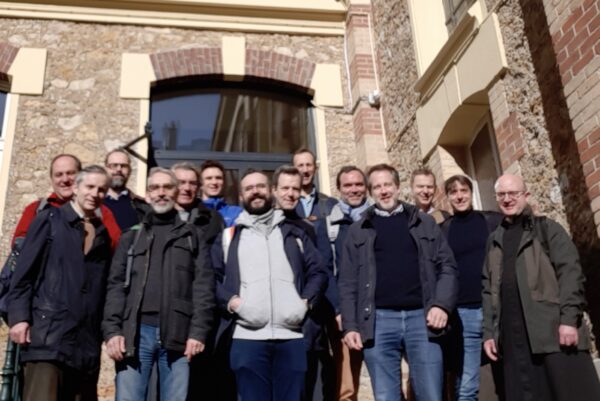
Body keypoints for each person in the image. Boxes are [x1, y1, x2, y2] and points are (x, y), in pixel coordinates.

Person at [338, 163, 458, 401]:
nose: (383, 191)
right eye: (377, 187)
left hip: (422, 319)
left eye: (387, 185)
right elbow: (348, 282)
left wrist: (442, 305)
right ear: (371, 192)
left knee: (431, 395)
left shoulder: (424, 222)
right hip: (379, 322)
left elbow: (447, 267)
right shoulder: (358, 230)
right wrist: (350, 325)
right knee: (386, 397)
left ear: (397, 187)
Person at [211, 169, 328, 401]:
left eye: (260, 186)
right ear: (241, 196)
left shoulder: (295, 233)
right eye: (249, 188)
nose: (255, 192)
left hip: (292, 336)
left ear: (271, 191)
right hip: (247, 338)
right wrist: (233, 303)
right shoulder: (228, 237)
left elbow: (319, 272)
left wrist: (304, 303)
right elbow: (210, 279)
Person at [482, 174, 600, 401]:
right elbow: (488, 290)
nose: (507, 199)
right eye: (501, 194)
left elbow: (571, 275)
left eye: (513, 193)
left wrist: (568, 320)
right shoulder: (494, 240)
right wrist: (489, 333)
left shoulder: (547, 229)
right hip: (515, 343)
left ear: (526, 195)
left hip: (552, 334)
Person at [102, 167, 216, 401]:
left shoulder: (192, 236)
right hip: (135, 334)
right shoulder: (131, 237)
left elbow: (203, 288)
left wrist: (198, 332)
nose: (161, 193)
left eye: (167, 187)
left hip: (179, 334)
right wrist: (112, 331)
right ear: (147, 194)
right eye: (155, 188)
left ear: (176, 191)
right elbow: (115, 287)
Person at [7, 165, 113, 401]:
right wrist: (19, 318)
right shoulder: (49, 221)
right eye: (90, 187)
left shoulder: (103, 234)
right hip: (48, 338)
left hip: (85, 346)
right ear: (76, 188)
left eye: (101, 189)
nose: (95, 194)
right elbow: (23, 275)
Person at [439, 175, 502, 401]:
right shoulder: (443, 230)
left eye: (463, 190)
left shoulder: (492, 221)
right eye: (454, 192)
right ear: (448, 197)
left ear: (471, 192)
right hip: (464, 311)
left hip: (496, 306)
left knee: (509, 372)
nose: (459, 196)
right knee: (467, 382)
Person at [292, 148, 337, 401]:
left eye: (309, 165)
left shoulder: (329, 205)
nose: (305, 170)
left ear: (316, 168)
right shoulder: (284, 205)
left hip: (326, 292)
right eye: (300, 165)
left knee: (326, 359)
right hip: (297, 293)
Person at [12, 153, 121, 251]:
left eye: (70, 173)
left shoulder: (100, 212)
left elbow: (116, 248)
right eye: (59, 175)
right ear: (52, 179)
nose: (65, 180)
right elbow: (19, 246)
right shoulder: (37, 209)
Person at [327, 166, 371, 401]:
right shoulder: (329, 224)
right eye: (348, 185)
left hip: (378, 308)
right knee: (346, 385)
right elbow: (326, 269)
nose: (354, 189)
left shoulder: (379, 218)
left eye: (358, 184)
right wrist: (338, 308)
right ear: (339, 189)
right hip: (345, 309)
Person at [171, 161, 224, 243]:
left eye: (193, 183)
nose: (187, 188)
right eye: (181, 182)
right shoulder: (158, 217)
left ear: (199, 187)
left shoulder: (212, 219)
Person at [103, 148, 148, 230]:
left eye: (124, 166)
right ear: (105, 170)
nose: (119, 169)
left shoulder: (141, 206)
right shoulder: (94, 203)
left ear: (129, 170)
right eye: (114, 165)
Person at [200, 160, 242, 227]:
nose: (214, 182)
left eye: (218, 178)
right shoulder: (194, 212)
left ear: (224, 182)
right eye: (209, 178)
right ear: (201, 184)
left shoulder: (236, 213)